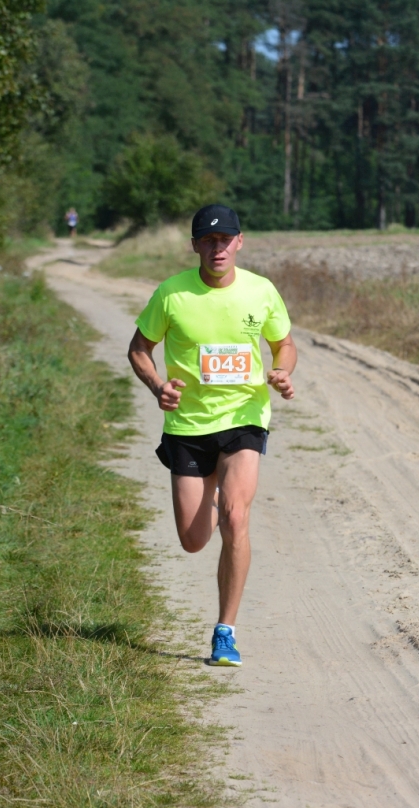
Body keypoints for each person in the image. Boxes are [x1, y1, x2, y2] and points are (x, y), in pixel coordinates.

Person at [128, 204, 297, 667]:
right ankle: (216, 493)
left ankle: (225, 632)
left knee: (236, 519)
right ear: (195, 245)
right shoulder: (172, 294)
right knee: (193, 539)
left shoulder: (261, 291)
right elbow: (139, 348)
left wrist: (281, 371)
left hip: (244, 417)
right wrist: (158, 386)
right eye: (207, 240)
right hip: (188, 425)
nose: (217, 248)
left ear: (239, 241)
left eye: (225, 240)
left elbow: (283, 344)